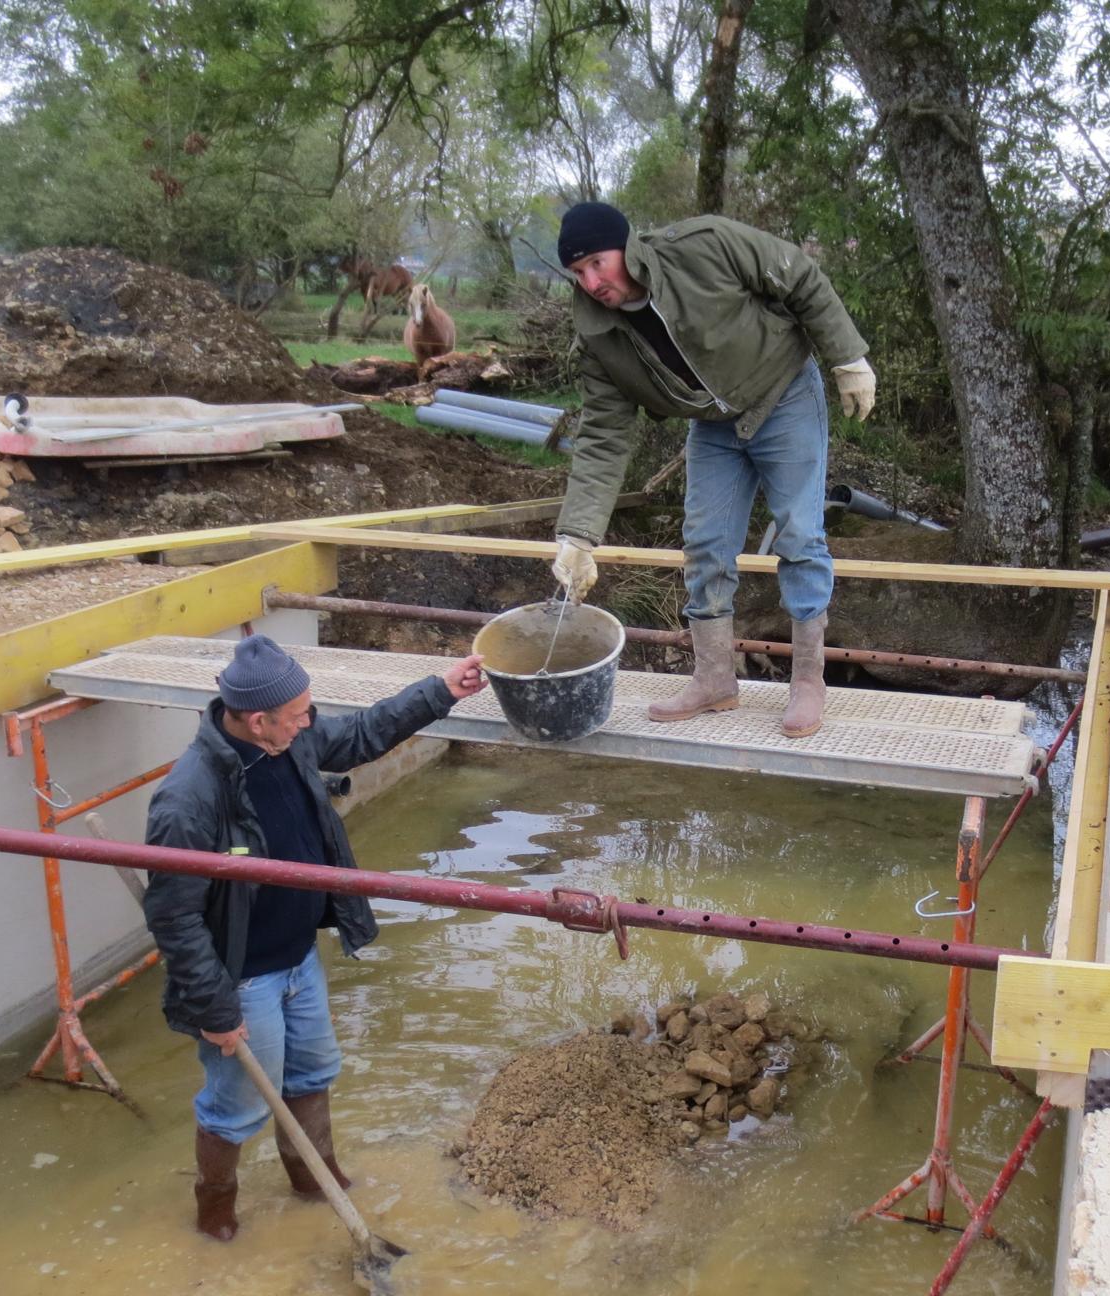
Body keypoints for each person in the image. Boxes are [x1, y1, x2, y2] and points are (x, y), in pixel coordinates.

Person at [143, 634, 487, 1241]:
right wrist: (213, 1008)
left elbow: (360, 736)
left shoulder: (291, 741)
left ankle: (315, 1180)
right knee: (239, 1105)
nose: (310, 723)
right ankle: (215, 1214)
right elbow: (174, 917)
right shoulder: (189, 799)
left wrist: (440, 691)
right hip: (241, 979)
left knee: (312, 1074)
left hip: (300, 959)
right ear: (258, 720)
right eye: (300, 714)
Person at [547, 201, 875, 740]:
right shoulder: (598, 334)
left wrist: (848, 356)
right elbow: (605, 435)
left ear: (625, 247)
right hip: (713, 423)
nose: (591, 281)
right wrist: (578, 536)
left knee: (798, 533)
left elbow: (799, 276)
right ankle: (714, 678)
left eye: (597, 264)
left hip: (783, 393)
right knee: (704, 542)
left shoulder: (703, 246)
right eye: (577, 273)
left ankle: (808, 680)